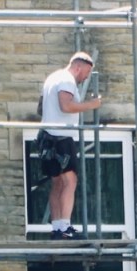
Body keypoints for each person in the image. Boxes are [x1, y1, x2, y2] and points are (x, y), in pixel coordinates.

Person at [37, 51, 103, 240]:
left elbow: (40, 108)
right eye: (86, 73)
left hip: (47, 136)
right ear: (78, 67)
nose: (86, 78)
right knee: (70, 182)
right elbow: (66, 106)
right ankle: (65, 226)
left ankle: (57, 227)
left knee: (57, 182)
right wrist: (92, 104)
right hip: (61, 139)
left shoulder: (53, 78)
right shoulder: (66, 80)